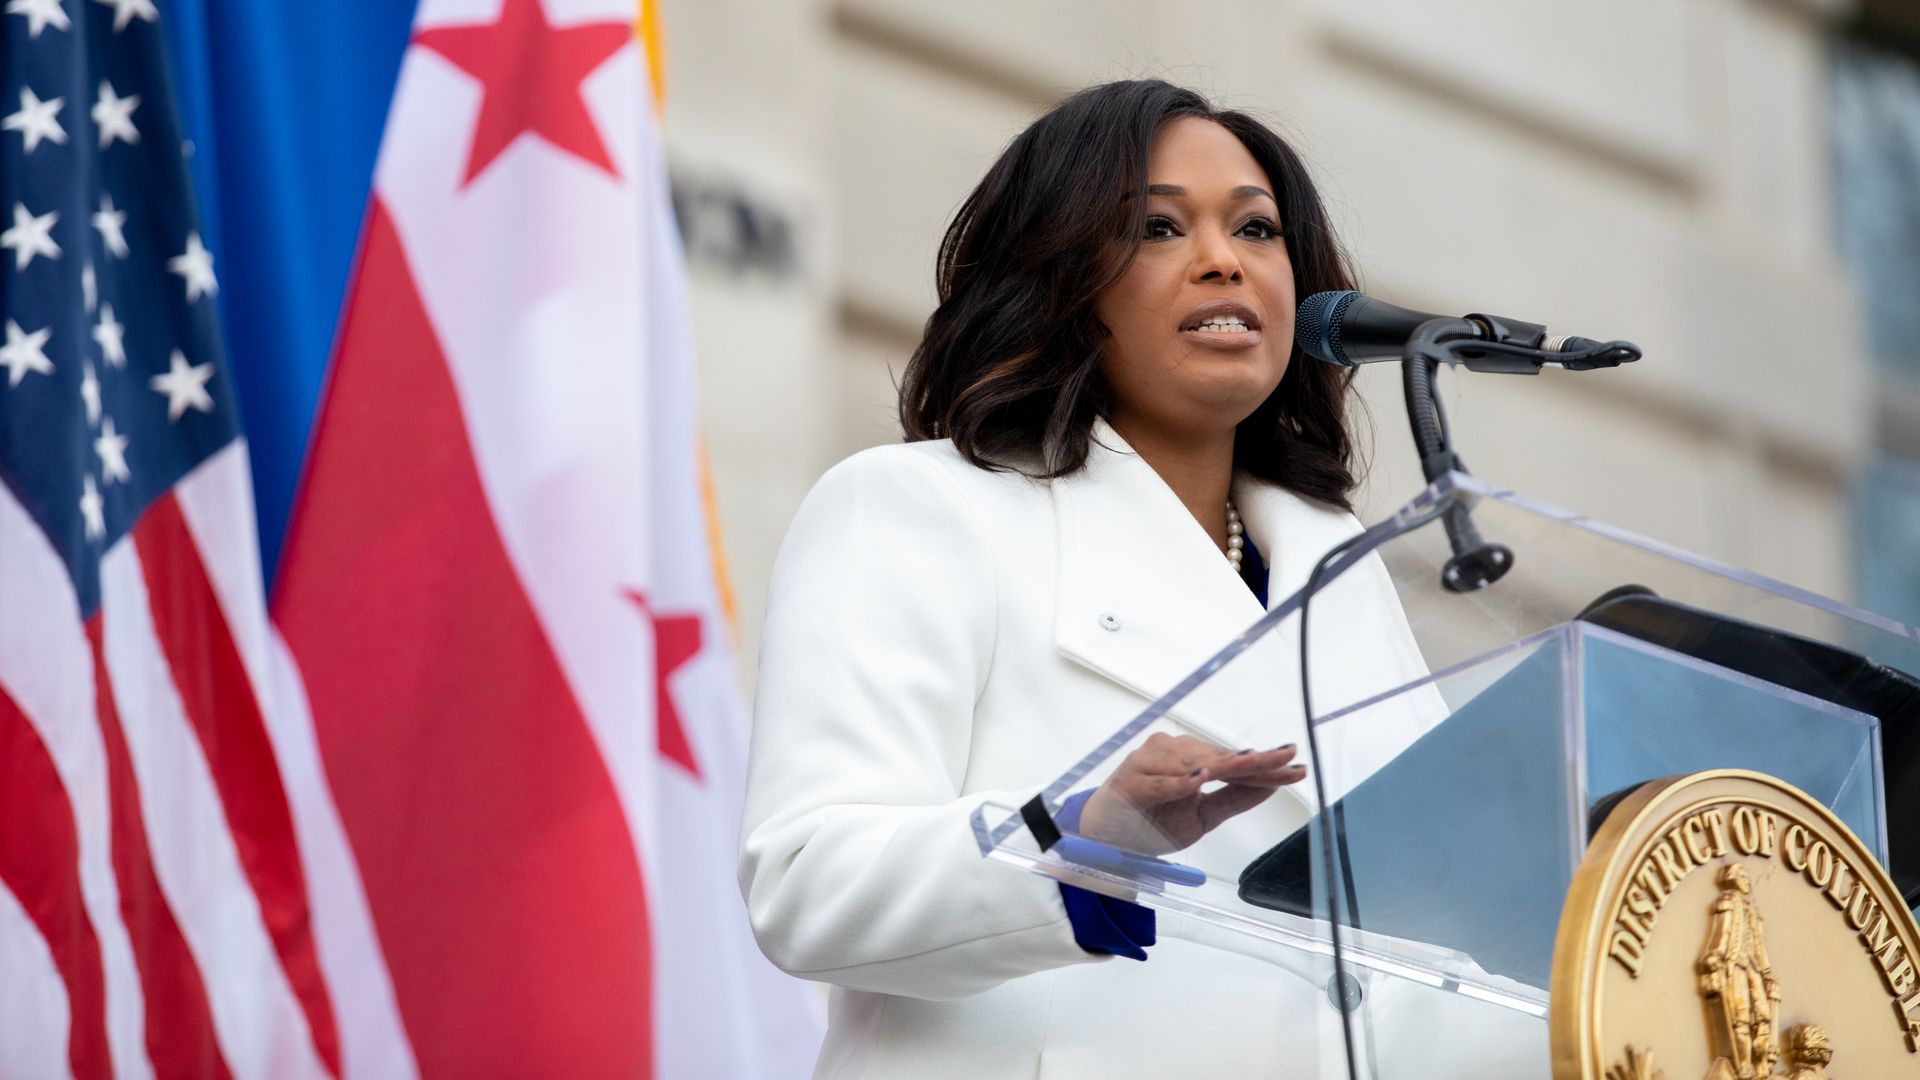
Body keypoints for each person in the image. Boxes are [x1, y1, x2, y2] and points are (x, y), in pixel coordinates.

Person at [739, 79, 1542, 1078]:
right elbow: (808, 882)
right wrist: (1081, 841)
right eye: (1159, 228)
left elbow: (1423, 960)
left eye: (1257, 230)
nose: (1223, 259)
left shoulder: (1339, 569)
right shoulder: (917, 508)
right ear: (1058, 278)